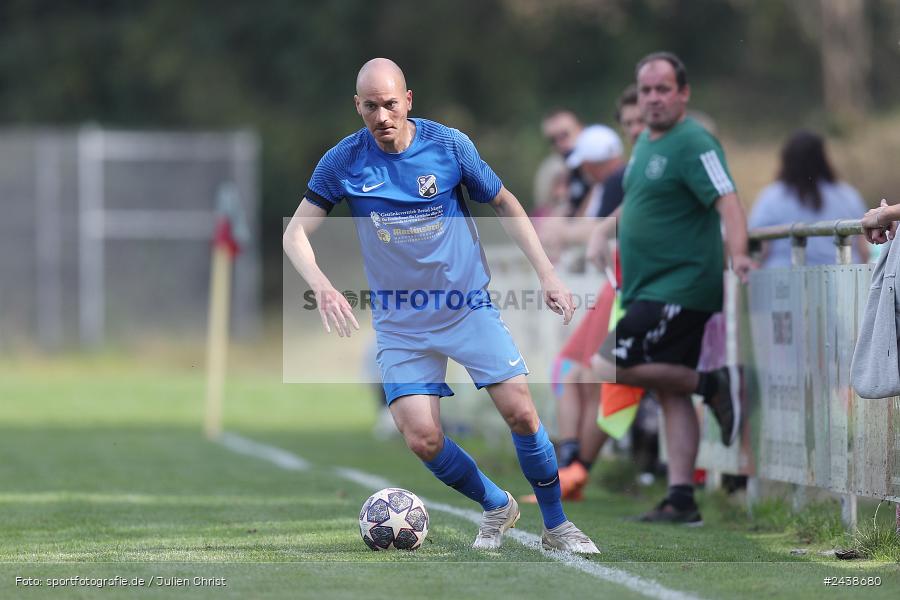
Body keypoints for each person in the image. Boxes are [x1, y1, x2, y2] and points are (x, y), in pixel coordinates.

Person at [282, 58, 599, 553]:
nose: (382, 115)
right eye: (371, 106)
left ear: (408, 100)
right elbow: (296, 231)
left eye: (390, 104)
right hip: (401, 323)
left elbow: (505, 203)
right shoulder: (343, 161)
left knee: (521, 413)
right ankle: (496, 505)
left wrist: (547, 273)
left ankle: (557, 525)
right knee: (422, 438)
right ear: (357, 107)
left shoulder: (449, 146)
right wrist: (321, 283)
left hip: (464, 305)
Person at [587, 52, 753, 525]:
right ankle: (682, 497)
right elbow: (639, 206)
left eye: (663, 89)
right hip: (647, 287)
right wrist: (603, 230)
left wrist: (739, 253)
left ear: (683, 93)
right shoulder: (646, 144)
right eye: (646, 90)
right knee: (670, 392)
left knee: (607, 363)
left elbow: (729, 201)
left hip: (679, 287)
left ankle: (712, 382)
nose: (654, 98)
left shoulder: (694, 141)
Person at [525, 87, 647, 504]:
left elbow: (610, 225)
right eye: (629, 122)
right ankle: (569, 467)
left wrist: (579, 232)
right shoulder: (623, 173)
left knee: (592, 374)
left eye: (638, 122)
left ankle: (576, 471)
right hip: (614, 282)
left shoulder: (620, 176)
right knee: (573, 372)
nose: (634, 130)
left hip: (630, 284)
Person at [749, 130, 869, 267]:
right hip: (839, 279)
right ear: (822, 158)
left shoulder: (771, 197)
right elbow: (863, 250)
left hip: (785, 279)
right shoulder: (846, 195)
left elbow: (760, 249)